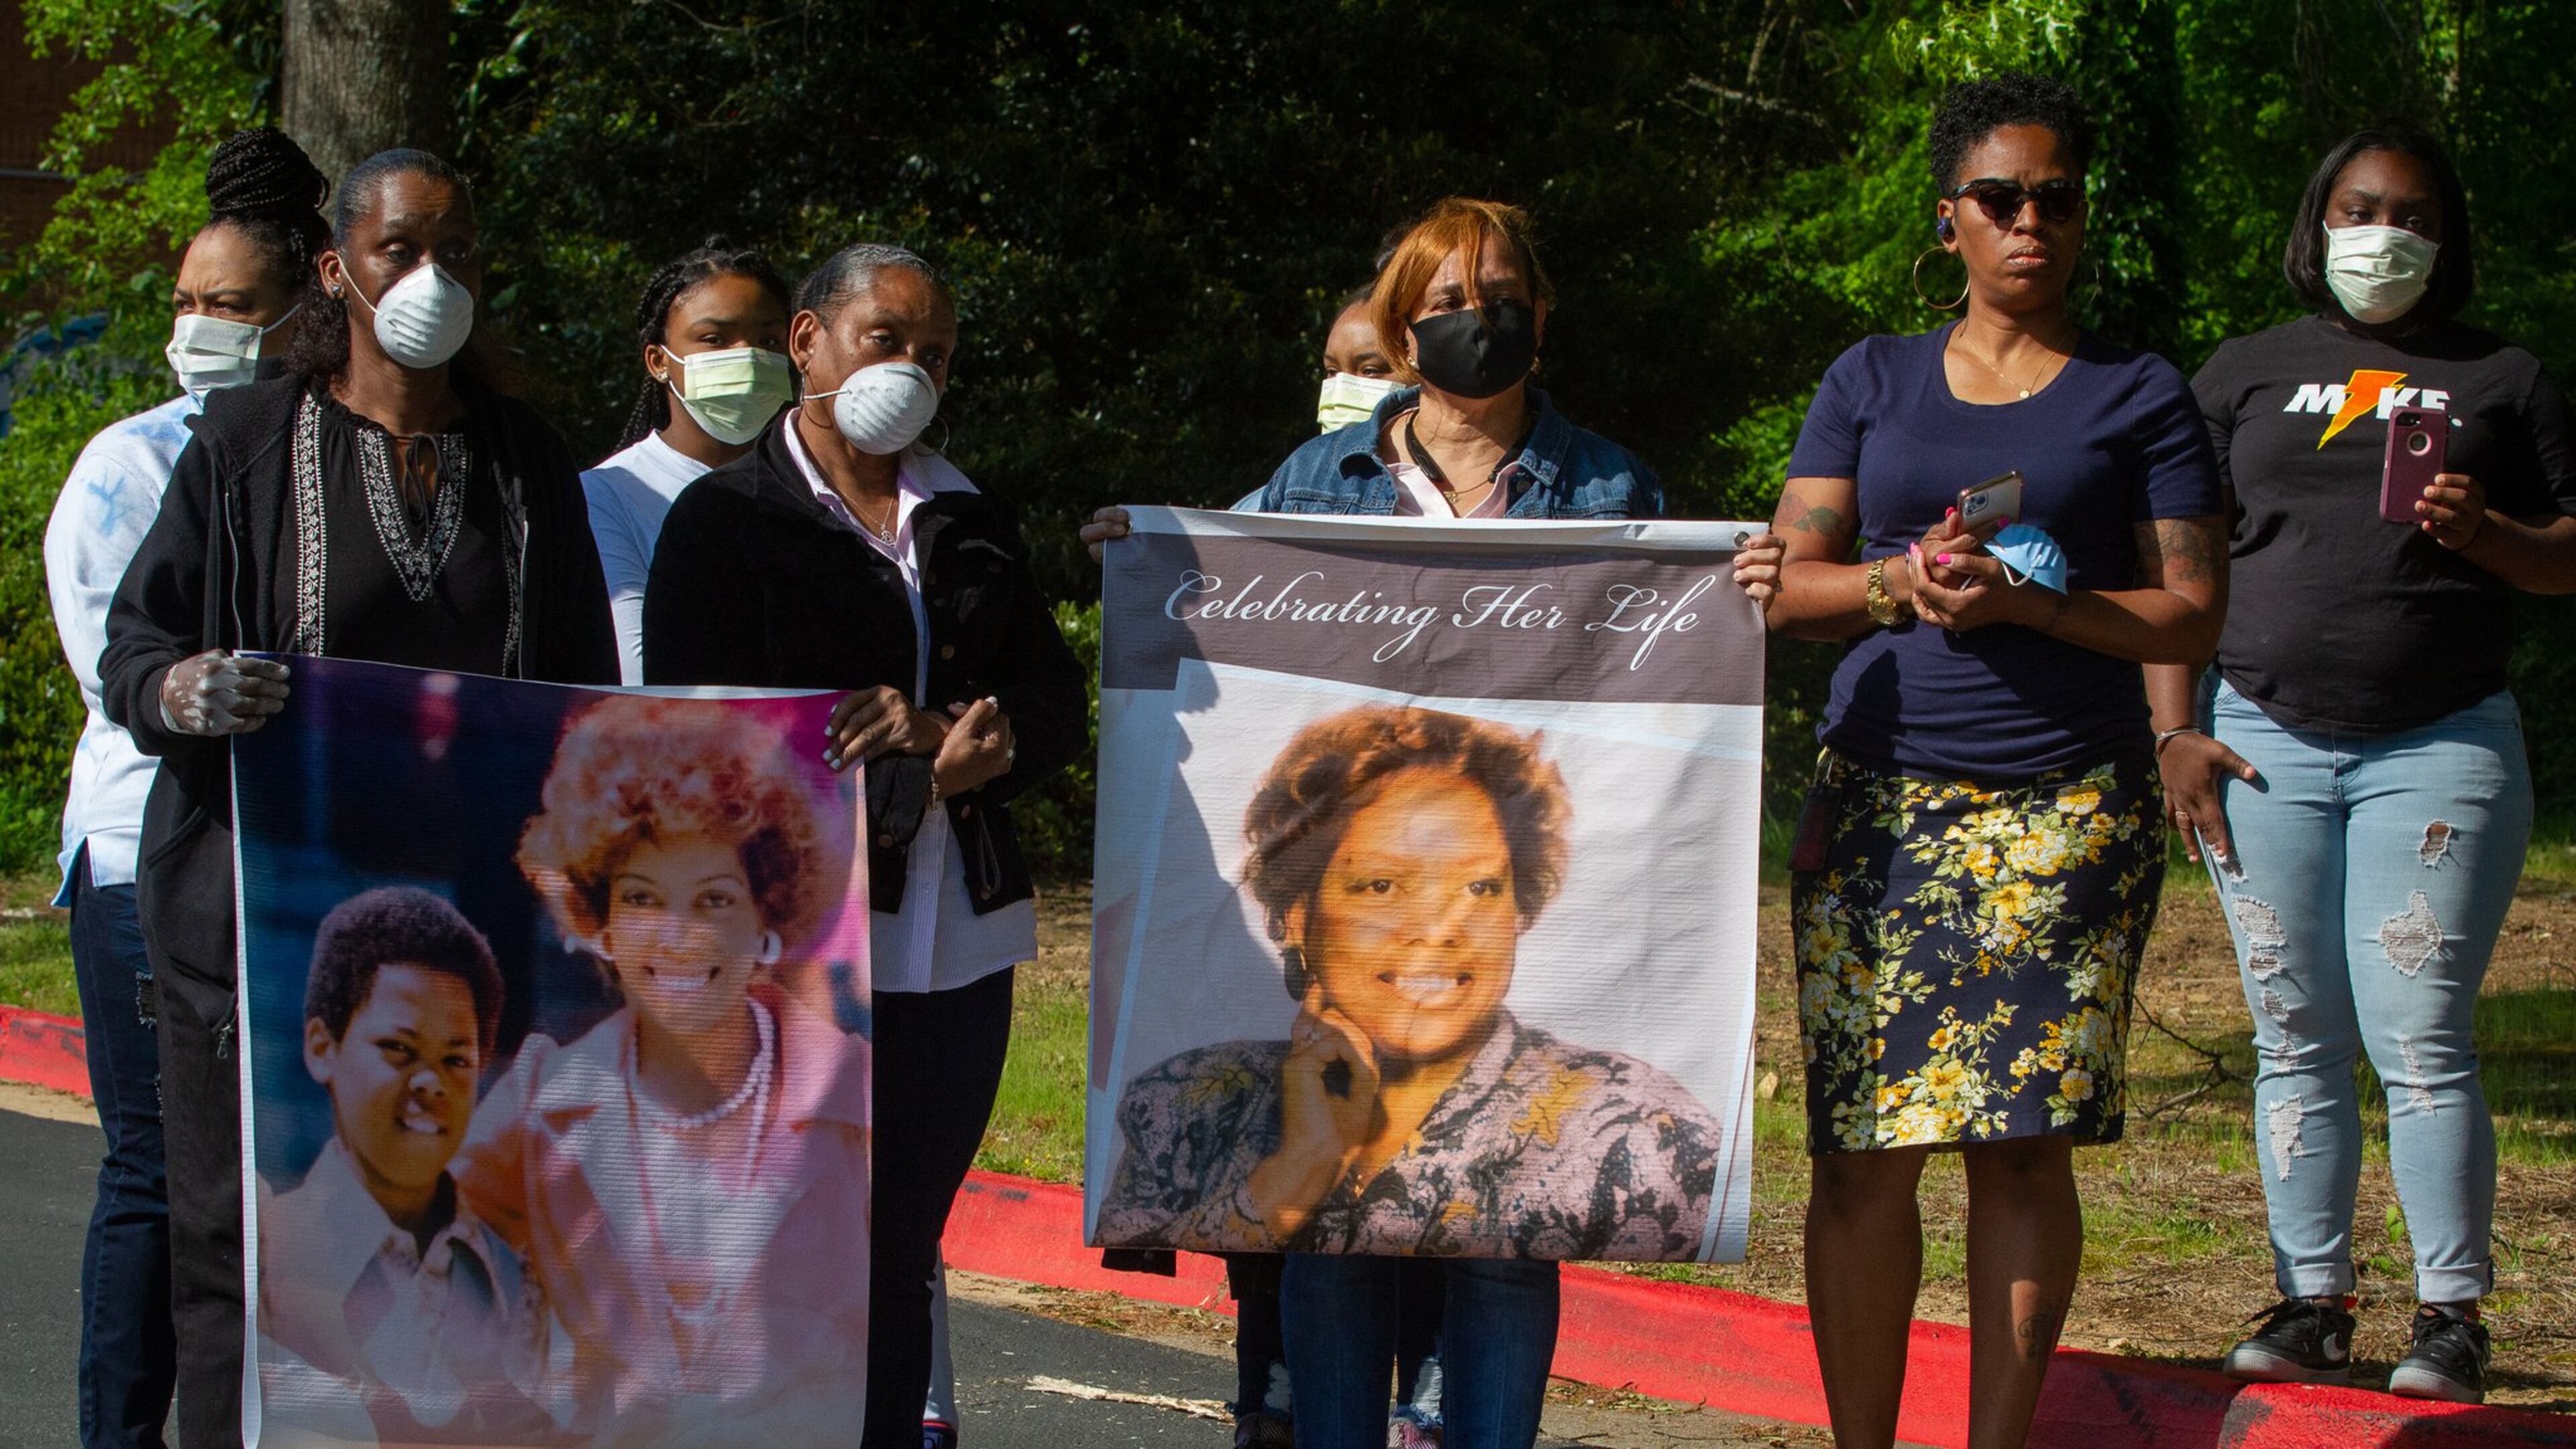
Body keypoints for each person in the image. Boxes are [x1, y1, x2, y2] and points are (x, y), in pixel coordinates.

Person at [1082, 198, 1673, 1449]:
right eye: (1447, 302)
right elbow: (1221, 582)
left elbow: (1652, 687)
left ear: (1543, 317)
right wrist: (1145, 551)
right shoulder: (1321, 478)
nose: (1479, 320)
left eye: (1502, 297)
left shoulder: (1613, 483)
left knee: (1506, 1247)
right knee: (1336, 1238)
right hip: (1353, 942)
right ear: (1403, 336)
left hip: (1533, 947)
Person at [97, 146, 618, 1449]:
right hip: (257, 928)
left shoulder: (525, 463)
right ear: (336, 270)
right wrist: (183, 692)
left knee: (476, 1253)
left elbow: (582, 701)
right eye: (403, 250)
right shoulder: (243, 447)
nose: (434, 278)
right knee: (239, 1255)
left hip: (475, 950)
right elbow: (136, 649)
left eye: (459, 252)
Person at [1762, 75, 2226, 1449]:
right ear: (1948, 217)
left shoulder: (2142, 394)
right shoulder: (1871, 378)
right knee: (1863, 1154)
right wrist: (1897, 584)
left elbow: (2192, 613)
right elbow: (1786, 585)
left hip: (2070, 809)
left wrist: (2034, 606)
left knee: (2019, 1148)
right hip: (1880, 805)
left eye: (2057, 199)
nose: (2032, 223)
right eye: (2001, 198)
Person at [641, 241, 1090, 1449]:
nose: (913, 372)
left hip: (956, 947)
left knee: (898, 1251)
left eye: (936, 355)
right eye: (887, 341)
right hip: (794, 948)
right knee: (776, 1240)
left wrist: (962, 739)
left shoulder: (969, 517)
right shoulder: (726, 521)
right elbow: (698, 738)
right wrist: (899, 781)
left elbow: (1053, 705)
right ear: (809, 343)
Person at [2160, 125, 2576, 1405]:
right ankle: (2314, 1303)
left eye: (2411, 215)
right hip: (2261, 739)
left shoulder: (2503, 377)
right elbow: (2178, 561)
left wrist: (2488, 530)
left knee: (2422, 1034)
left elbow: (2568, 557)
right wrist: (2174, 729)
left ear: (2445, 241)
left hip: (2441, 745)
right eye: (2358, 208)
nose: (2382, 233)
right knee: (2293, 1034)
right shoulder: (2242, 371)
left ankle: (2450, 1318)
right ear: (2318, 222)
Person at [41, 124, 321, 1449]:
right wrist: (191, 688)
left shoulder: (337, 451)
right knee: (160, 1177)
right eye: (186, 302)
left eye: (233, 305)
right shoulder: (128, 464)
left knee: (284, 1189)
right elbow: (123, 668)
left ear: (306, 311)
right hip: (145, 860)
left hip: (298, 855)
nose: (198, 329)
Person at [1095, 702, 1725, 1258]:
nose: (1437, 929)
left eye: (1479, 888)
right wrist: (1300, 1167)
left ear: (1519, 911)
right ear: (1297, 916)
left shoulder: (1641, 1131)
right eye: (1382, 885)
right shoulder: (1186, 1105)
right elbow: (1133, 1259)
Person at [451, 695, 867, 1437]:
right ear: (602, 920)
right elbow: (418, 1253)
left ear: (767, 916)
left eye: (713, 901)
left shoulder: (853, 1098)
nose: (676, 938)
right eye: (643, 899)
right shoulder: (546, 1100)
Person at [258, 888, 555, 1444]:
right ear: (323, 1047)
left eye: (456, 1059)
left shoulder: (513, 1280)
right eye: (398, 1048)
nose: (431, 1082)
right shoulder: (269, 1249)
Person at [580, 241, 795, 683]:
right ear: (659, 361)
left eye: (769, 340)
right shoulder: (607, 495)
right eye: (714, 339)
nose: (747, 357)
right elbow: (640, 668)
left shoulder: (818, 490)